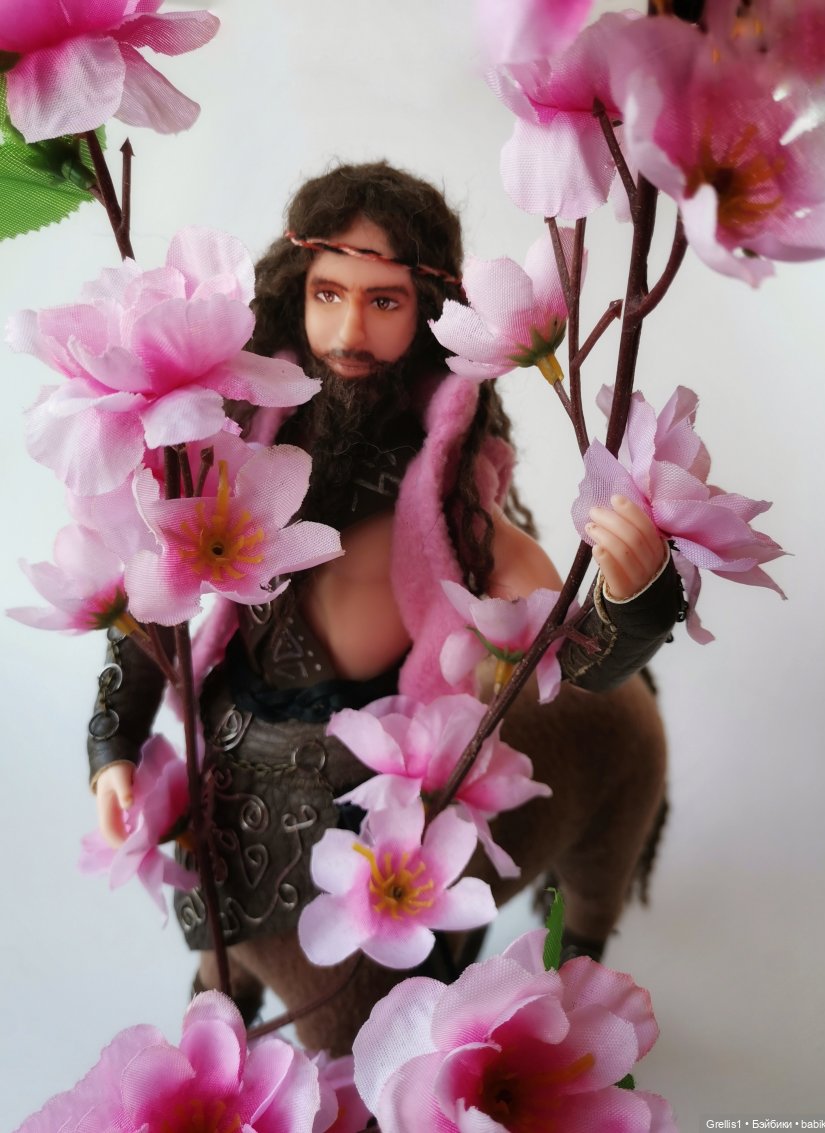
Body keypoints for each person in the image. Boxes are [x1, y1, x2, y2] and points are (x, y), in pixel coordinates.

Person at [88, 161, 683, 1054]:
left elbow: (566, 642)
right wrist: (114, 743)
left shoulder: (450, 500)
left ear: (428, 311)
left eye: (384, 301)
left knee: (368, 1017)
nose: (349, 330)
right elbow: (158, 593)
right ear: (296, 292)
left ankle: (553, 968)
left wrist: (632, 599)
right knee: (216, 959)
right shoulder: (233, 448)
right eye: (328, 294)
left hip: (373, 781)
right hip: (233, 760)